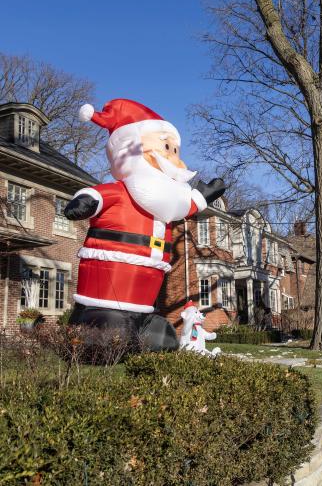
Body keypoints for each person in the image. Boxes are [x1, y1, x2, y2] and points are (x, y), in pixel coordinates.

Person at [65, 99, 226, 351]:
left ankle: (145, 329)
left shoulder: (165, 205)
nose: (174, 159)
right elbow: (98, 195)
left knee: (149, 329)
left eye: (174, 151)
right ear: (132, 148)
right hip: (108, 281)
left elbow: (178, 203)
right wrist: (86, 200)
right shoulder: (121, 192)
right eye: (165, 147)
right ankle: (96, 335)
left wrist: (201, 198)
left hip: (146, 290)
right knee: (109, 325)